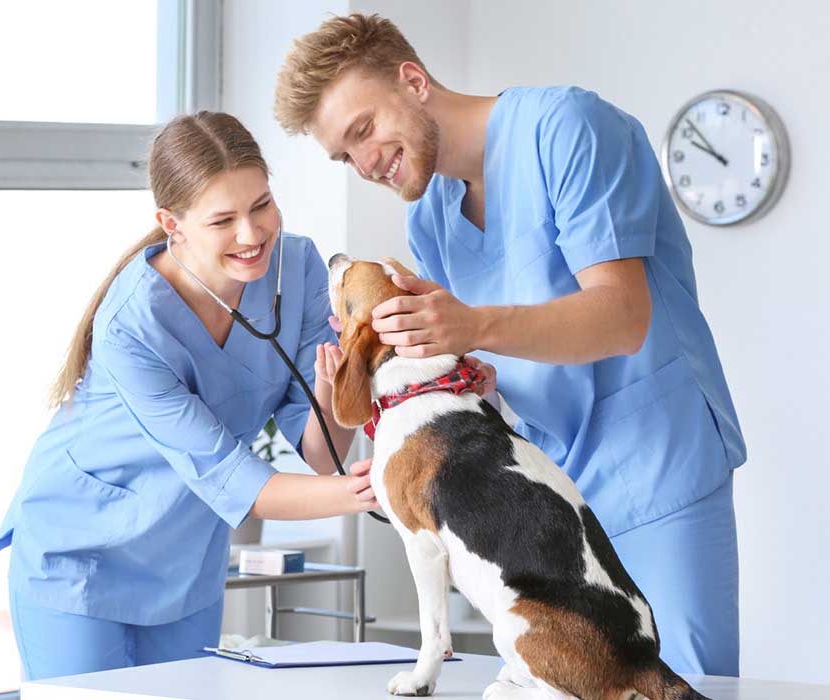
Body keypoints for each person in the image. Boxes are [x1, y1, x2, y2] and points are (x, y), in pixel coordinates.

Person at [274, 14, 747, 676]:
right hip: (544, 492)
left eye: (364, 130)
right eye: (344, 156)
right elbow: (480, 358)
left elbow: (621, 316)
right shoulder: (431, 215)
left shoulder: (568, 129)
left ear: (412, 80)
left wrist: (470, 327)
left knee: (680, 685)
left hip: (653, 466)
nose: (365, 163)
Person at [0, 111, 378, 681]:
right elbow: (229, 475)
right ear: (171, 223)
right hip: (81, 553)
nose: (252, 235)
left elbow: (324, 453)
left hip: (186, 558)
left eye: (261, 205)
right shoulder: (132, 322)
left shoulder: (295, 268)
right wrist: (378, 489)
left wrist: (329, 388)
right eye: (222, 220)